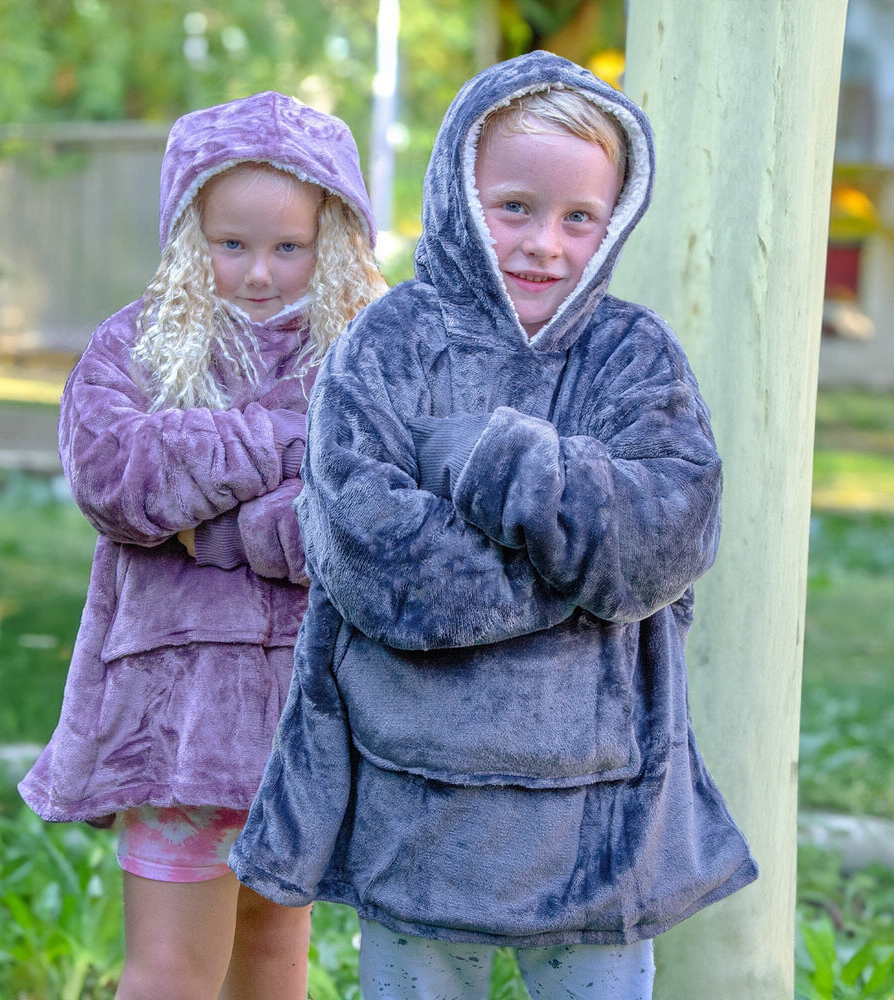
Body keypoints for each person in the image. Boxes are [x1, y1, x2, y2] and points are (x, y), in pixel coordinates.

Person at [229, 51, 758, 1000]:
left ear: (615, 221)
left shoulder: (633, 355)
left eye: (579, 218)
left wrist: (493, 461)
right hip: (415, 804)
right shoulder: (387, 345)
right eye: (515, 206)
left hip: (597, 818)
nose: (544, 245)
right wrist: (576, 576)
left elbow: (667, 537)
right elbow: (375, 561)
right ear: (457, 193)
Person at [18, 91, 386, 1000]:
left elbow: (371, 510)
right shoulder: (137, 344)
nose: (260, 272)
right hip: (173, 715)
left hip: (303, 713)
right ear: (192, 233)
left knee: (271, 956)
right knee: (172, 969)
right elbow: (118, 478)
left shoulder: (359, 355)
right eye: (232, 244)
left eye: (288, 247)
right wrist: (278, 440)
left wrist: (228, 523)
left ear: (330, 236)